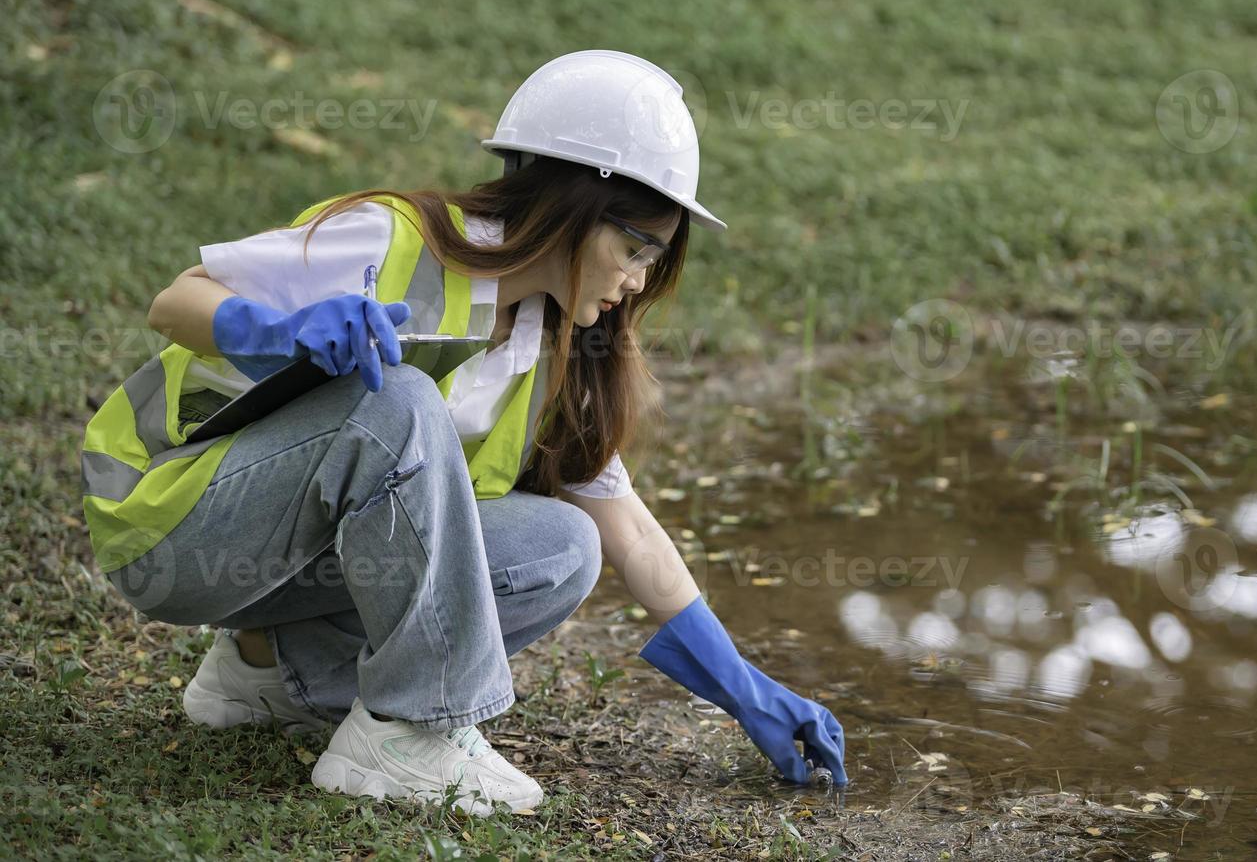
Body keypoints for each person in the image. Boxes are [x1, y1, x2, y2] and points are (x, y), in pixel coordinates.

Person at [79, 50, 847, 817]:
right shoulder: (388, 238)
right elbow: (176, 299)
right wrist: (282, 330)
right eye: (634, 248)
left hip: (270, 571)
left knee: (562, 547)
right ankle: (408, 731)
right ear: (572, 208)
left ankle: (267, 671)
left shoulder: (562, 348)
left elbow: (630, 537)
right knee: (398, 400)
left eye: (654, 258)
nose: (638, 280)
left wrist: (747, 692)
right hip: (171, 521)